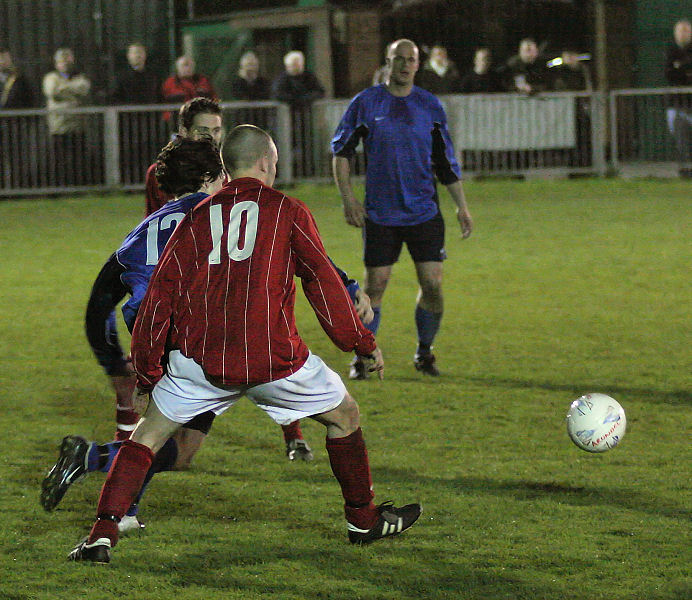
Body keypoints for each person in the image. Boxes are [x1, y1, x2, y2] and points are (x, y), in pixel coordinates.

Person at [68, 124, 420, 563]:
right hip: (273, 358)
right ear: (267, 163)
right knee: (345, 416)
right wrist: (361, 344)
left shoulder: (195, 217)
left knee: (146, 437)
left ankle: (100, 536)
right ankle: (363, 520)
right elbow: (322, 283)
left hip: (201, 359)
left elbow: (160, 299)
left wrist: (148, 373)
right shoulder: (286, 209)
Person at [41, 137, 225, 532]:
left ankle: (119, 507)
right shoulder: (221, 217)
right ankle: (97, 476)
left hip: (154, 343)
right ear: (210, 177)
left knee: (172, 442)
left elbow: (99, 302)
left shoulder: (143, 230)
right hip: (200, 347)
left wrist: (112, 361)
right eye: (222, 173)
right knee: (169, 445)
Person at [331, 39, 473, 379]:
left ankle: (424, 352)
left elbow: (446, 162)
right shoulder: (365, 104)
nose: (405, 65)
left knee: (433, 283)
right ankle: (364, 357)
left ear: (417, 65)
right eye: (399, 59)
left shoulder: (430, 106)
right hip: (380, 214)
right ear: (388, 62)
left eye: (411, 60)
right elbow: (341, 153)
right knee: (375, 285)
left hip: (424, 212)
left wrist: (462, 207)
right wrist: (348, 198)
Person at [145, 97, 224, 215]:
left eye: (216, 131)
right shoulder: (160, 173)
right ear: (184, 131)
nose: (211, 137)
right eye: (203, 131)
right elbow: (153, 221)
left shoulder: (229, 172)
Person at [42, 48, 93, 185]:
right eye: (61, 61)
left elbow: (83, 89)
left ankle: (79, 185)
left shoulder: (80, 77)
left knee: (78, 159)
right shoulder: (50, 78)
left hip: (77, 126)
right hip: (58, 126)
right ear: (56, 63)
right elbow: (52, 91)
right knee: (58, 160)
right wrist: (73, 97)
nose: (65, 64)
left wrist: (63, 90)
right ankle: (59, 186)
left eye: (67, 60)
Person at [664, 19, 692, 177]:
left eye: (686, 30)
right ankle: (685, 170)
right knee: (681, 138)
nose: (683, 34)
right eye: (681, 31)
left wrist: (680, 66)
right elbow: (669, 74)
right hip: (676, 104)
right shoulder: (670, 50)